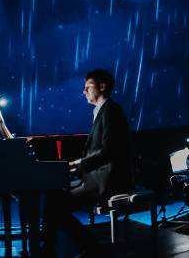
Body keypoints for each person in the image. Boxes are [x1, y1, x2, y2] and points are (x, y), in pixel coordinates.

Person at [44, 69, 131, 257]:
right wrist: (77, 166)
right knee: (53, 199)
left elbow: (108, 150)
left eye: (88, 87)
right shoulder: (101, 111)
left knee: (55, 206)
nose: (84, 92)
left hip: (108, 179)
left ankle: (90, 249)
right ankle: (77, 248)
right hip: (97, 176)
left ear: (102, 86)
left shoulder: (111, 110)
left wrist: (78, 164)